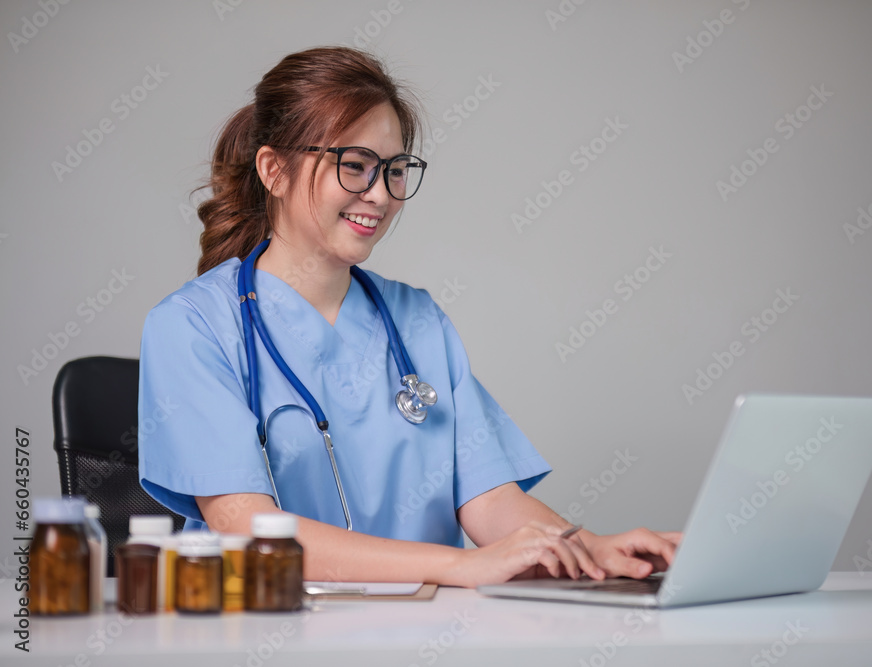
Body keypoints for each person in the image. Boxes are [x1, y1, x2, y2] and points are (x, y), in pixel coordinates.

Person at [138, 46, 680, 587]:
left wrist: (591, 550)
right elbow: (246, 530)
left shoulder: (416, 320)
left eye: (395, 170)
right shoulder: (192, 326)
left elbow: (489, 498)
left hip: (425, 631)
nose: (379, 195)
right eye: (354, 166)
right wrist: (461, 566)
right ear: (274, 170)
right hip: (267, 630)